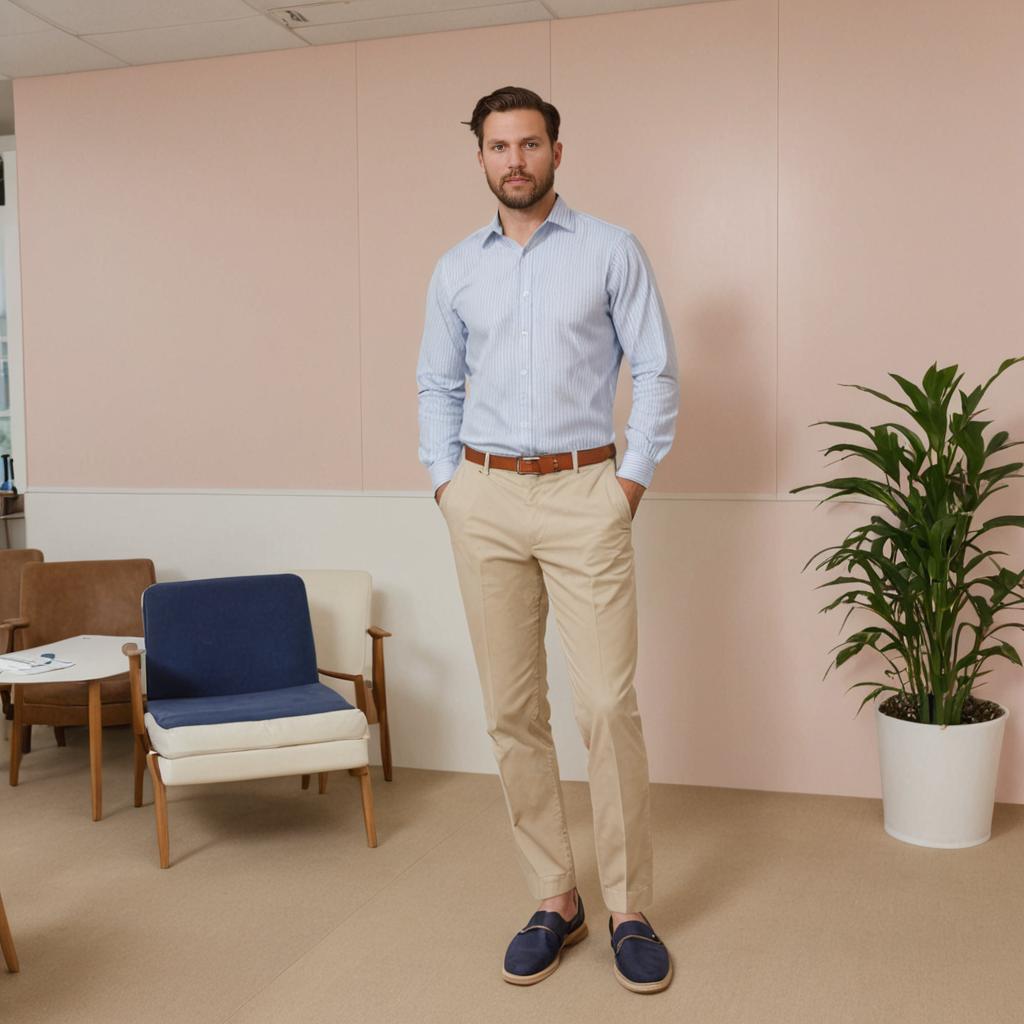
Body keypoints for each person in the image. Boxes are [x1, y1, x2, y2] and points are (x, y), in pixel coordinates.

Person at [416, 85, 678, 994]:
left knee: (606, 704)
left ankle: (630, 907)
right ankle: (553, 895)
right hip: (483, 497)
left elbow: (654, 369)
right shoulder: (456, 269)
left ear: (558, 153)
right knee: (511, 710)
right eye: (498, 146)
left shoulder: (611, 251)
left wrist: (628, 485)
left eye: (530, 144)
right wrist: (447, 485)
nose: (514, 160)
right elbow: (436, 387)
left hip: (584, 492)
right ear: (481, 158)